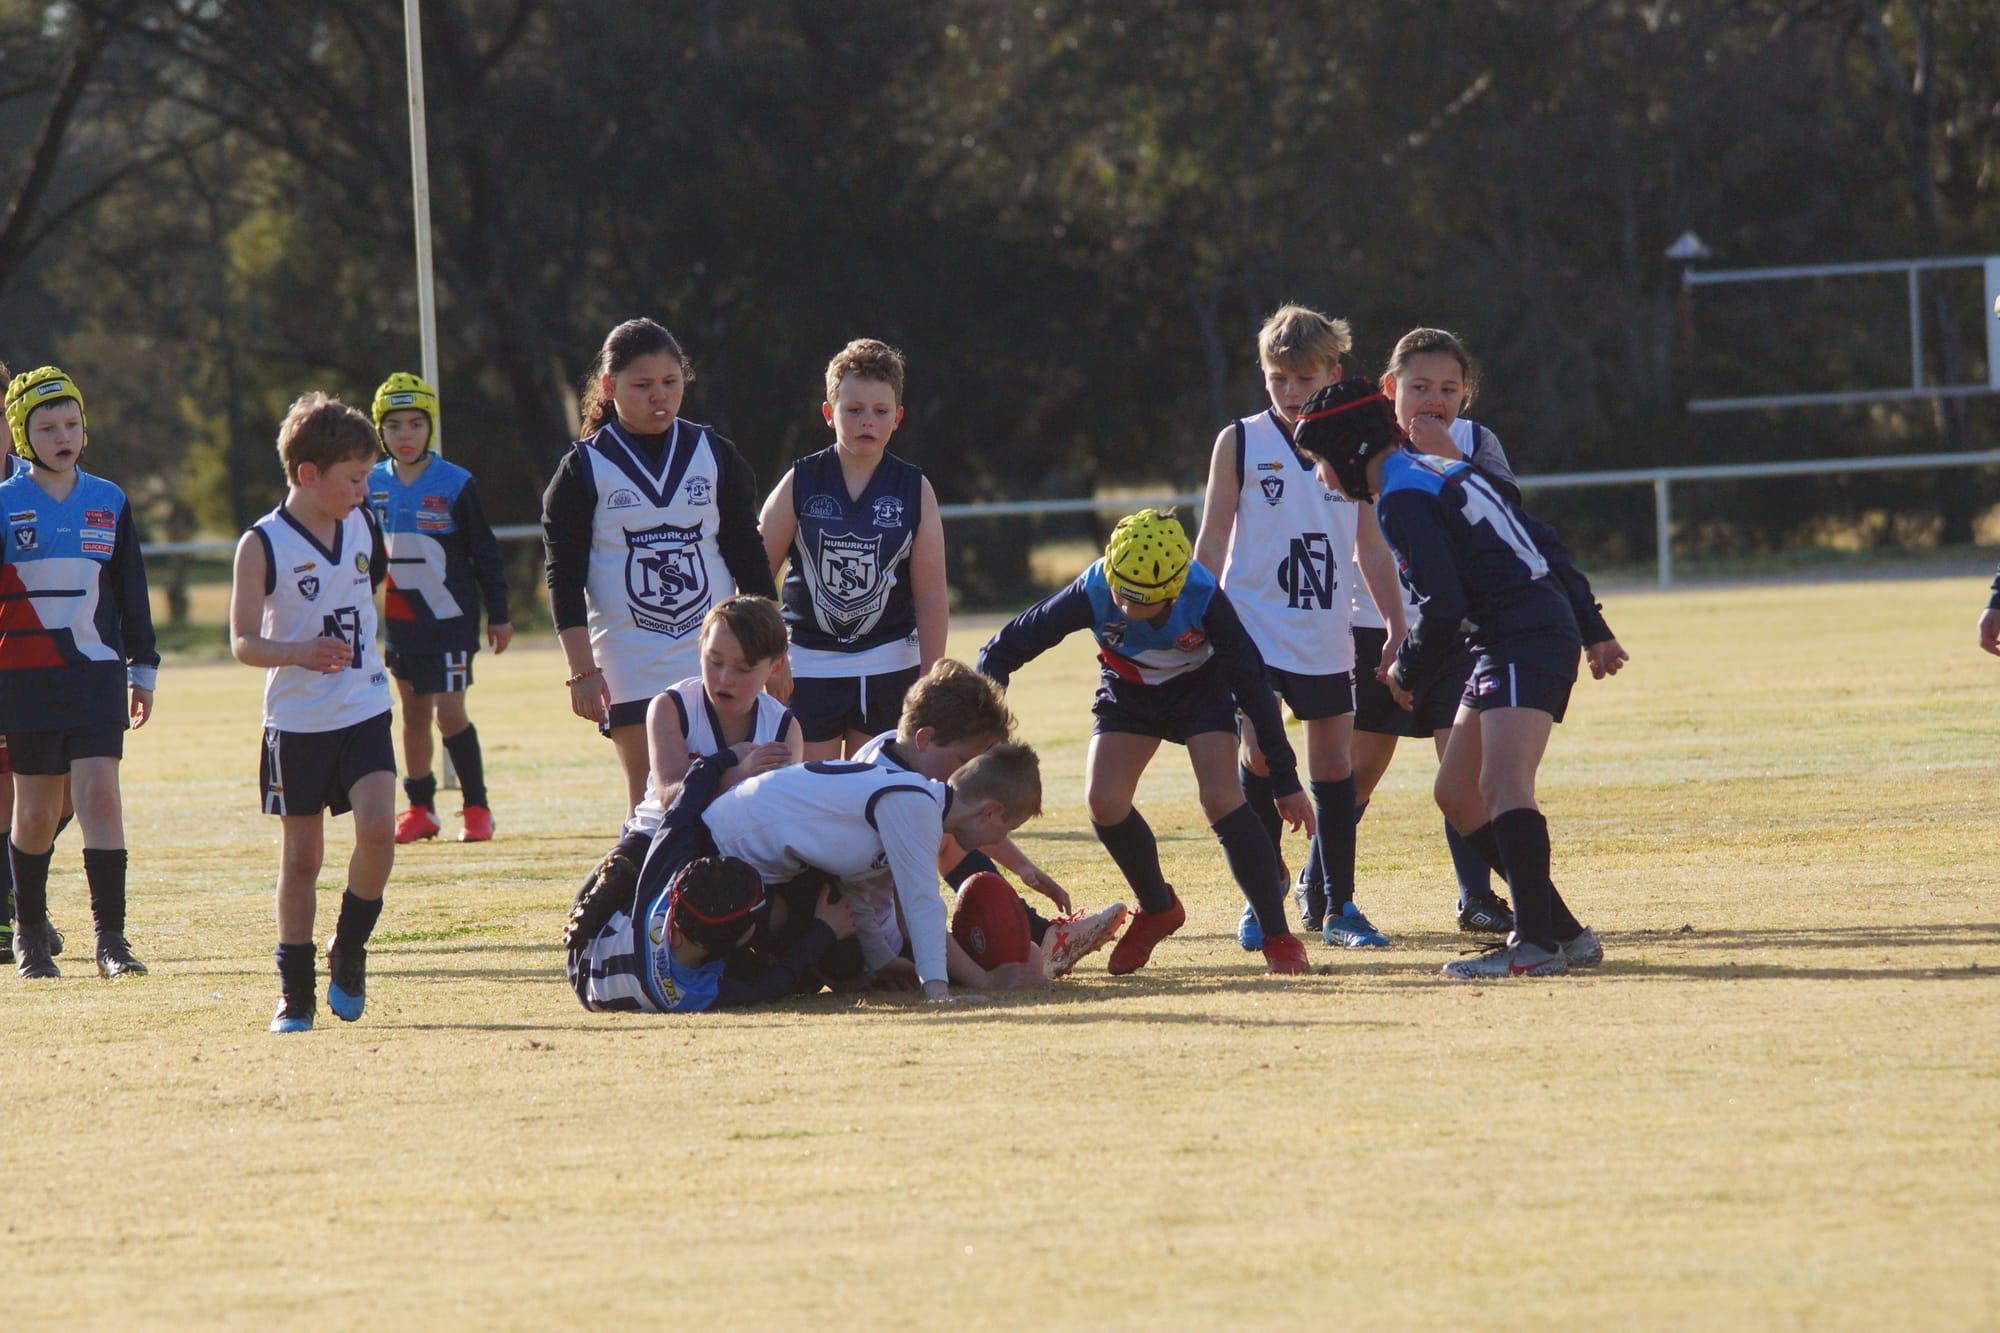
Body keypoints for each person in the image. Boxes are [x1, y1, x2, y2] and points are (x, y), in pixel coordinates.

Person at [1296, 377, 1624, 977]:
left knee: (1502, 785)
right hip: (1509, 634)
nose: (1319, 477)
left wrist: (1407, 667)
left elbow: (1444, 604)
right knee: (1456, 792)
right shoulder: (1440, 471)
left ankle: (1534, 945)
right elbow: (1542, 542)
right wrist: (1589, 623)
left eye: (1318, 461)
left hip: (1522, 635)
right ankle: (1564, 932)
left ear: (1347, 451)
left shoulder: (1399, 496)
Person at [977, 509, 1318, 976]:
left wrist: (1284, 778)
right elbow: (1002, 650)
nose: (1123, 607)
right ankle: (1158, 908)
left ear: (1173, 593)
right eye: (1119, 592)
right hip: (1129, 690)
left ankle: (1278, 935)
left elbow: (1254, 686)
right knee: (1104, 801)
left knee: (1220, 798)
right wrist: (984, 725)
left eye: (1140, 602)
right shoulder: (1094, 587)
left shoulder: (1203, 596)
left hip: (1199, 691)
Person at [1192, 304, 1396, 954]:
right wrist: (1193, 614)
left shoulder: (1355, 440)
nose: (1288, 392)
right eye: (1277, 378)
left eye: (1302, 380)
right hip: (1249, 628)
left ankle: (1340, 905)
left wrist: (1394, 622)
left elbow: (1372, 545)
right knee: (1256, 754)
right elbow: (1213, 537)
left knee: (1334, 764)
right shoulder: (1241, 440)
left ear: (1332, 373)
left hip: (1326, 629)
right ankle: (1264, 896)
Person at [570, 738, 1042, 1007]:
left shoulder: (911, 800)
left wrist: (880, 964)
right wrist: (945, 990)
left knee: (843, 958)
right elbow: (922, 901)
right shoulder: (914, 805)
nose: (1004, 840)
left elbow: (861, 884)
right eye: (1010, 827)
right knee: (775, 961)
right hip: (721, 860)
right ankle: (622, 877)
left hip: (748, 859)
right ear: (990, 812)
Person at [542, 319, 777, 814]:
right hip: (630, 657)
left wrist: (774, 653)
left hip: (715, 656)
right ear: (609, 387)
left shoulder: (714, 454)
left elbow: (748, 557)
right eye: (642, 385)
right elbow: (563, 575)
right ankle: (645, 891)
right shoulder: (583, 467)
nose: (660, 397)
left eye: (671, 383)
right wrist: (581, 669)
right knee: (653, 803)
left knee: (734, 794)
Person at [229, 392, 396, 1031]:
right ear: (309, 475)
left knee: (380, 829)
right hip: (296, 726)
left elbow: (366, 594)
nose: (363, 491)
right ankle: (295, 993)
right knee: (302, 859)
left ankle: (349, 947)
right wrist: (298, 650)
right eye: (354, 479)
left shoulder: (363, 524)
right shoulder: (261, 545)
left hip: (364, 707)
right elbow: (243, 642)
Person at [0, 367, 157, 981]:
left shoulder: (109, 500)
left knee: (100, 795)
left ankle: (111, 940)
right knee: (35, 813)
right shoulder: (6, 503)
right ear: (21, 434)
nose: (63, 435)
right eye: (47, 426)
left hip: (95, 676)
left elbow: (131, 594)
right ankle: (31, 933)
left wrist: (142, 668)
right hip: (26, 681)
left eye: (72, 424)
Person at [846, 658, 1128, 981]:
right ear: (925, 739)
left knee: (1027, 955)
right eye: (964, 761)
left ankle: (1044, 936)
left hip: (877, 929)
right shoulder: (903, 799)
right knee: (1023, 960)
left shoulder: (889, 745)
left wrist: (1022, 866)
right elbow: (914, 918)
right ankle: (1044, 936)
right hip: (877, 944)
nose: (967, 775)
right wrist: (985, 980)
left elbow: (963, 813)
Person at [759, 339, 947, 760]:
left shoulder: (915, 489)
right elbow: (754, 578)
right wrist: (770, 657)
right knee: (811, 795)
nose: (867, 421)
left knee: (874, 792)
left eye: (880, 412)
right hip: (806, 665)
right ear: (830, 413)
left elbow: (931, 594)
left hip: (889, 664)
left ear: (897, 418)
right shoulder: (801, 481)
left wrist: (931, 677)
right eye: (853, 410)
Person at [568, 594, 803, 926]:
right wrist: (737, 772)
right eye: (715, 661)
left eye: (744, 668)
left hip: (736, 848)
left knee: (799, 906)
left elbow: (776, 818)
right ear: (699, 650)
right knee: (589, 907)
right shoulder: (670, 706)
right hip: (658, 837)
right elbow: (671, 796)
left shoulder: (783, 726)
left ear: (775, 667)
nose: (724, 678)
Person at [368, 373, 512, 845]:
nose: (404, 435)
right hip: (402, 624)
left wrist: (500, 613)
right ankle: (420, 808)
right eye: (393, 426)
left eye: (414, 424)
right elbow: (363, 556)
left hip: (450, 621)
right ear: (379, 431)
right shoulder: (368, 484)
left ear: (430, 427)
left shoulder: (455, 483)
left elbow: (484, 553)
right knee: (411, 714)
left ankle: (476, 807)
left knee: (449, 712)